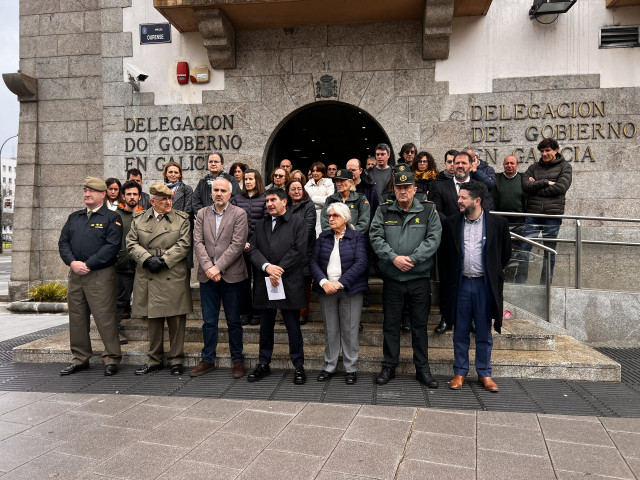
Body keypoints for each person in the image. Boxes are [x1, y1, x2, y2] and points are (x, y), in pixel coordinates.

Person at [369, 171, 441, 388]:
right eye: (398, 188)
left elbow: (434, 237)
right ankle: (388, 367)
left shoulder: (428, 210)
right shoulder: (384, 210)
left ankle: (423, 369)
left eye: (406, 187)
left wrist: (412, 258)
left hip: (418, 278)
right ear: (394, 189)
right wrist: (394, 258)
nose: (402, 191)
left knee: (419, 326)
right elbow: (375, 236)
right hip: (392, 279)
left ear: (414, 189)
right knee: (390, 325)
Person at [440, 180, 511, 392]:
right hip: (460, 285)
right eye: (459, 196)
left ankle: (484, 373)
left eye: (463, 198)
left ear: (477, 201)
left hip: (484, 285)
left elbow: (504, 255)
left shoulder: (498, 224)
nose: (458, 200)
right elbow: (445, 257)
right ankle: (459, 372)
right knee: (460, 331)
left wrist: (490, 272)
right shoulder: (452, 223)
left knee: (483, 331)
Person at [58, 177, 122, 376]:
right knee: (77, 318)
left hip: (100, 275)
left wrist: (89, 264)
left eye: (92, 191)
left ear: (103, 194)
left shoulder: (112, 218)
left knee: (105, 318)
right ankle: (80, 358)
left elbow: (112, 246)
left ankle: (111, 358)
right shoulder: (74, 217)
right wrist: (73, 263)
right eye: (85, 190)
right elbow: (63, 243)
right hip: (76, 275)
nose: (87, 194)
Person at [127, 183, 192, 376]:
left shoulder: (181, 219)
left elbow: (184, 244)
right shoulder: (139, 219)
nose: (168, 202)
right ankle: (154, 359)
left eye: (170, 198)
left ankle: (176, 359)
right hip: (149, 273)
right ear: (152, 201)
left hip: (171, 272)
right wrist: (147, 259)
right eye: (164, 199)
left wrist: (163, 260)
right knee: (153, 320)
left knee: (176, 321)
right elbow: (130, 242)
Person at [248, 188, 308, 384]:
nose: (269, 204)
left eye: (273, 200)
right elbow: (253, 248)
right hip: (266, 281)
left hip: (289, 281)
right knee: (265, 327)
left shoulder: (298, 222)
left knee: (293, 327)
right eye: (267, 201)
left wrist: (278, 269)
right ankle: (263, 364)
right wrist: (267, 267)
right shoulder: (261, 223)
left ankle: (298, 366)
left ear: (284, 201)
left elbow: (299, 250)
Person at [191, 177, 248, 378]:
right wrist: (209, 267)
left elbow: (238, 244)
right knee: (208, 321)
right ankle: (207, 360)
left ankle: (237, 361)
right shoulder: (201, 214)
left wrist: (218, 267)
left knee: (233, 321)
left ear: (230, 194)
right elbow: (197, 242)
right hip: (207, 276)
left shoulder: (239, 214)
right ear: (211, 192)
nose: (219, 193)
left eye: (223, 190)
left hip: (231, 276)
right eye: (215, 190)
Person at [429, 151, 490, 334]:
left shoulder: (480, 187)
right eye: (457, 163)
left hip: (475, 240)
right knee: (447, 280)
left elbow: (486, 209)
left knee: (470, 281)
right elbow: (435, 210)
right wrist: (454, 225)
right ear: (452, 165)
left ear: (472, 165)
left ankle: (471, 319)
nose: (460, 166)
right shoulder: (439, 186)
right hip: (448, 240)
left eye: (464, 163)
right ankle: (446, 318)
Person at [310, 203, 369, 384]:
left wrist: (340, 283)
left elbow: (361, 262)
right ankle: (330, 365)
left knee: (350, 329)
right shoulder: (323, 237)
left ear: (345, 218)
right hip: (326, 288)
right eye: (329, 216)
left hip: (350, 289)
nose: (331, 218)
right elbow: (313, 261)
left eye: (335, 215)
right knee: (331, 329)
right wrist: (324, 282)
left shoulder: (357, 237)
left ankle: (350, 368)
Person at [520, 138, 573, 284]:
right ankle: (520, 282)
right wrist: (545, 183)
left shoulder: (565, 167)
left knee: (549, 252)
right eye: (542, 151)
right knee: (524, 248)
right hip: (533, 215)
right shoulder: (534, 167)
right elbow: (524, 185)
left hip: (552, 216)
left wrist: (535, 187)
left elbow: (561, 188)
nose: (544, 153)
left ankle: (545, 285)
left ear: (556, 150)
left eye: (547, 150)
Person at [232, 169, 268, 326]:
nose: (247, 182)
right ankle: (244, 312)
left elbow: (266, 223)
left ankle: (258, 313)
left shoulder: (265, 198)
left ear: (257, 180)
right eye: (245, 179)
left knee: (260, 281)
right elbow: (232, 222)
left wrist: (253, 243)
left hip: (259, 247)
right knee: (243, 281)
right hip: (241, 246)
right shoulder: (237, 199)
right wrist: (242, 241)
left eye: (250, 179)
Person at [115, 180, 144, 345]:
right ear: (123, 196)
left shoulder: (146, 215)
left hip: (142, 265)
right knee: (120, 299)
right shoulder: (116, 216)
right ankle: (115, 330)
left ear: (140, 196)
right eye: (129, 194)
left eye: (135, 194)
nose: (132, 197)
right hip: (122, 265)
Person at [492, 155, 527, 283]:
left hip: (518, 220)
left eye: (512, 163)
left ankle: (512, 277)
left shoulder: (523, 179)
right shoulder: (497, 178)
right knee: (501, 249)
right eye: (507, 163)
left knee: (516, 251)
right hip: (500, 220)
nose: (509, 166)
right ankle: (500, 276)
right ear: (503, 165)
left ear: (517, 165)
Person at [287, 179, 317, 325]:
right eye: (293, 189)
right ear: (288, 191)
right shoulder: (284, 206)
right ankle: (290, 313)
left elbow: (308, 229)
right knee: (289, 285)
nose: (297, 191)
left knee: (304, 285)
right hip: (285, 252)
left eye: (299, 188)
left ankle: (303, 313)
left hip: (304, 251)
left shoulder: (309, 206)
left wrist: (288, 240)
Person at [163, 161, 195, 268]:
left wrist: (175, 225)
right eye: (170, 172)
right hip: (163, 231)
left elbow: (188, 211)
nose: (173, 174)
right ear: (166, 174)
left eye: (176, 172)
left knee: (182, 265)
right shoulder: (160, 189)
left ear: (180, 174)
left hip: (182, 231)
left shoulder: (187, 189)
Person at [320, 169, 370, 234]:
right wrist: (335, 234)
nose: (338, 184)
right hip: (333, 239)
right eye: (337, 181)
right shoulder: (330, 200)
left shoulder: (360, 199)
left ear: (351, 182)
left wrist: (347, 234)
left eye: (342, 180)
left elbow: (364, 224)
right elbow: (324, 221)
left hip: (354, 239)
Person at [305, 161, 335, 236]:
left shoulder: (329, 182)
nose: (315, 173)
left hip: (326, 215)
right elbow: (308, 202)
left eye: (317, 171)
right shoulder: (307, 186)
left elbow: (329, 200)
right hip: (311, 215)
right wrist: (322, 200)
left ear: (322, 172)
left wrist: (313, 198)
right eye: (313, 171)